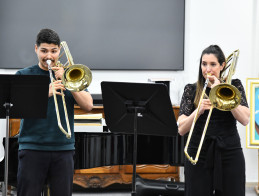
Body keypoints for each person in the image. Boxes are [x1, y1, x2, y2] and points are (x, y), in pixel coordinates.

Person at [15, 28, 93, 196]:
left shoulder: (69, 74)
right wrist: (45, 92)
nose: (49, 56)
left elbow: (88, 105)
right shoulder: (23, 75)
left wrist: (67, 81)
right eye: (44, 51)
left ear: (59, 51)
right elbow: (17, 108)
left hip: (63, 149)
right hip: (32, 148)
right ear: (36, 49)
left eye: (53, 51)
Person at [177, 45, 250, 196]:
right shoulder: (191, 89)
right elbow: (181, 129)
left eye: (213, 64)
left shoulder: (234, 86)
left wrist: (222, 92)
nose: (207, 69)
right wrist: (198, 111)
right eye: (204, 64)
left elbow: (245, 119)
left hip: (229, 150)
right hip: (198, 151)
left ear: (222, 66)